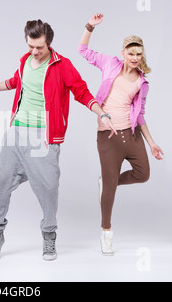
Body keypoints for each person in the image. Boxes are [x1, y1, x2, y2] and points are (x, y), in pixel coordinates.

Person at [0, 20, 116, 262]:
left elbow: (81, 91)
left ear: (49, 44)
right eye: (30, 46)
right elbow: (15, 81)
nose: (34, 52)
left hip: (44, 137)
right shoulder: (25, 61)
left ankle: (49, 234)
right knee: (1, 183)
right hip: (16, 133)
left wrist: (101, 113)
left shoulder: (62, 65)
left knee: (48, 189)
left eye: (39, 47)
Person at [78, 13, 164, 256]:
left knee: (143, 174)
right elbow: (83, 50)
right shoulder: (109, 64)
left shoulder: (141, 82)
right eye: (131, 53)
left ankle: (107, 181)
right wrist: (90, 27)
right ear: (123, 53)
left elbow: (140, 114)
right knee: (110, 189)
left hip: (132, 134)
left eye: (139, 54)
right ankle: (106, 231)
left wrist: (152, 143)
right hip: (108, 135)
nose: (135, 58)